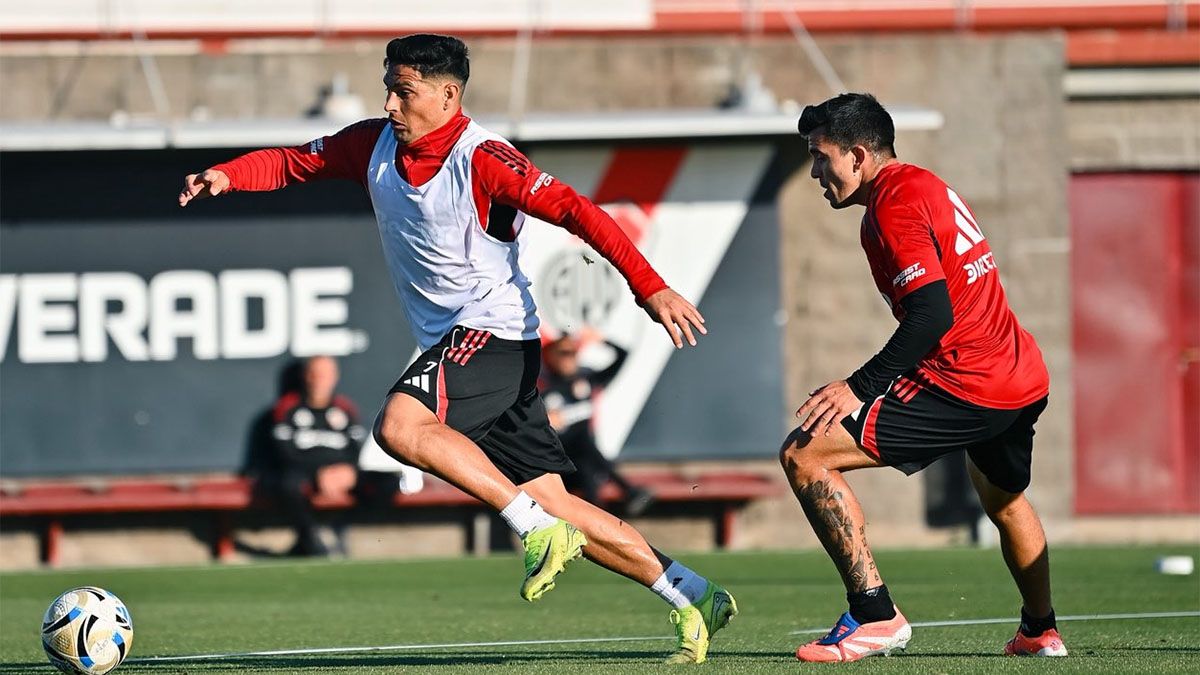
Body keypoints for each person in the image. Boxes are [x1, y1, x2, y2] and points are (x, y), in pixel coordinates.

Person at [178, 33, 736, 663]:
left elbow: (579, 211)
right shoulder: (372, 145)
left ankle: (533, 529)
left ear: (448, 95)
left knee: (399, 427)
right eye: (387, 88)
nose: (389, 104)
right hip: (477, 345)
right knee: (556, 501)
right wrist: (227, 174)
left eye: (404, 91)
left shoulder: (485, 159)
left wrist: (649, 286)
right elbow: (291, 162)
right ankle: (693, 594)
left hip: (490, 333)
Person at [780, 93, 1065, 662]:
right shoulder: (924, 184)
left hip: (966, 382)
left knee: (804, 455)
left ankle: (874, 615)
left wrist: (857, 386)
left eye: (820, 156)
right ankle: (1040, 630)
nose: (814, 172)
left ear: (857, 156)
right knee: (1005, 498)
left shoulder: (893, 205)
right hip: (1019, 374)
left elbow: (932, 315)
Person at [540, 331, 654, 515]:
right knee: (581, 444)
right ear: (551, 357)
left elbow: (622, 356)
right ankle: (628, 490)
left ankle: (620, 500)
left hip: (586, 462)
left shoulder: (586, 379)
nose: (569, 359)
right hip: (561, 463)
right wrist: (544, 419)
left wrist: (602, 339)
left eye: (573, 353)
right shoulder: (542, 386)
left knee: (587, 467)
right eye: (563, 353)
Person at [269, 355, 366, 557]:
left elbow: (358, 449)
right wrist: (318, 474)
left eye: (325, 375)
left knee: (389, 483)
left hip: (341, 473)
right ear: (306, 376)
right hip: (304, 472)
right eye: (315, 374)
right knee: (288, 485)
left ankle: (340, 526)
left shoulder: (344, 408)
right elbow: (284, 452)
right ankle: (311, 538)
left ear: (335, 377)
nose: (320, 380)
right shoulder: (288, 407)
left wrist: (347, 472)